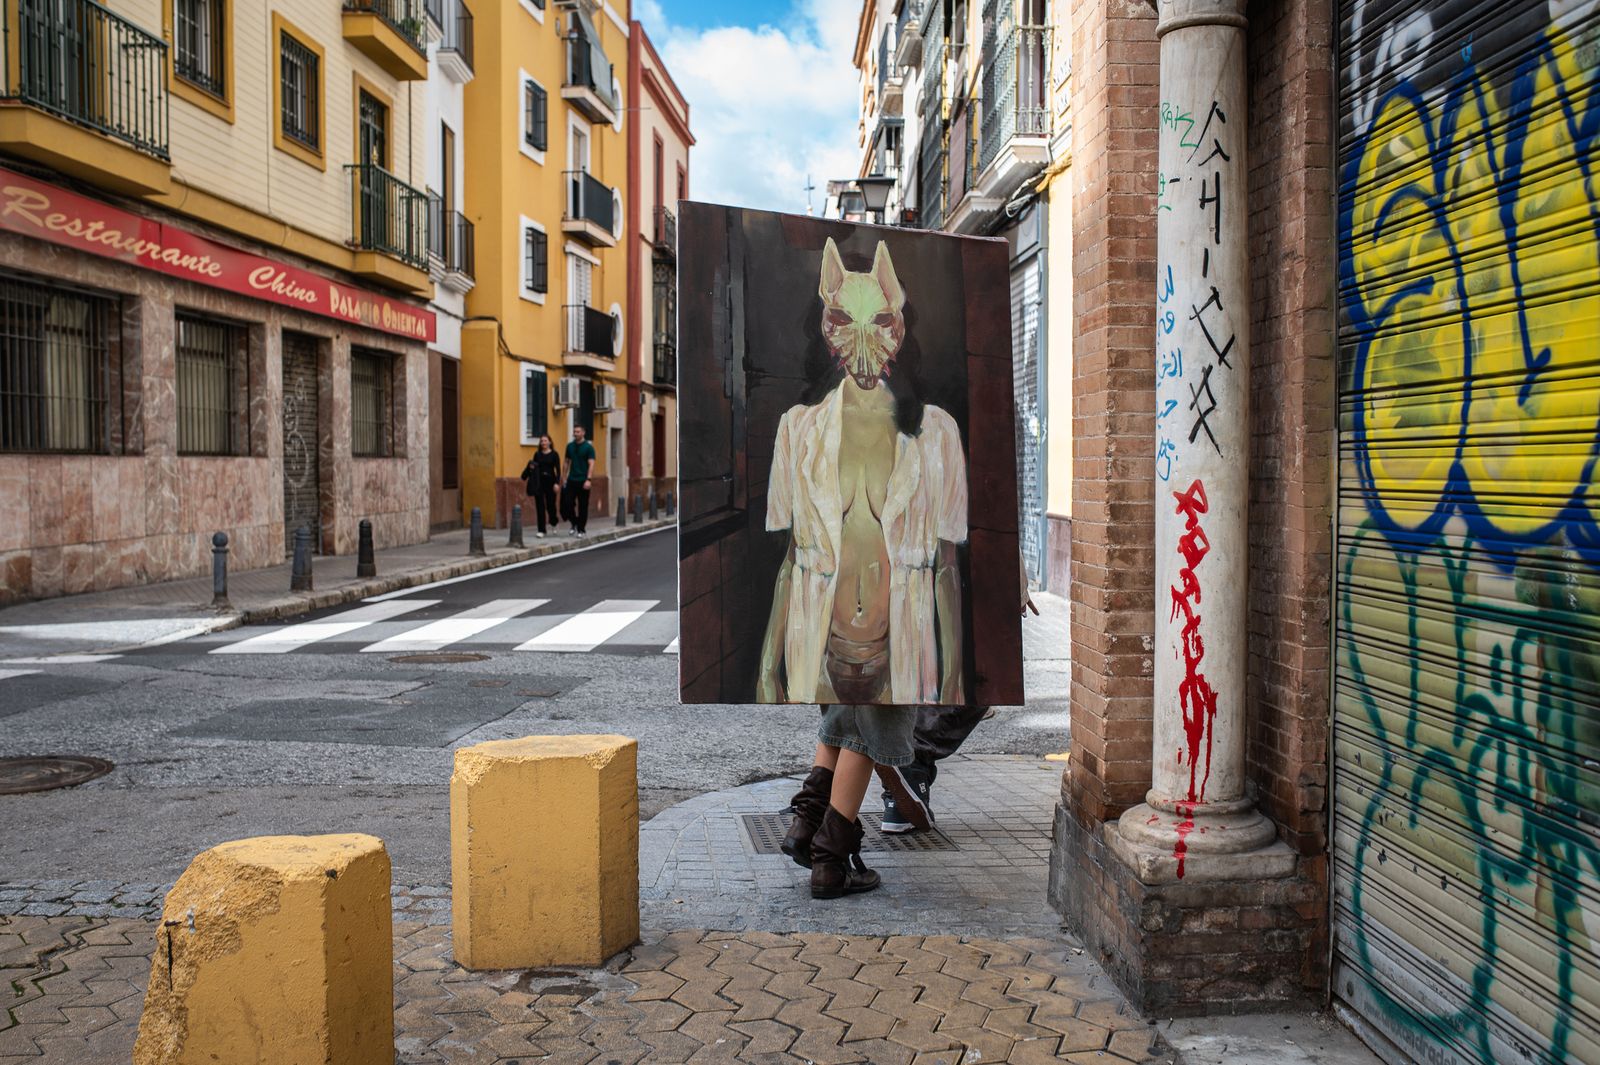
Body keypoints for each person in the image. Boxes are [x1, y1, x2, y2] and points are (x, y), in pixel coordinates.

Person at [764, 237, 967, 900]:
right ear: (826, 328)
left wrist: (956, 669)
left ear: (900, 325)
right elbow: (791, 557)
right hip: (822, 635)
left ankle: (807, 817)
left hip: (896, 631)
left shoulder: (935, 432)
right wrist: (771, 669)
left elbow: (944, 558)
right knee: (868, 721)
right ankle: (831, 846)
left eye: (877, 321)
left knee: (854, 720)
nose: (861, 340)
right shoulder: (798, 429)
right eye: (842, 322)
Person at [879, 570, 1040, 832]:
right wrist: (1015, 586)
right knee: (982, 676)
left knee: (932, 670)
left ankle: (897, 793)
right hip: (960, 568)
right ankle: (911, 768)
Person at [518, 436, 561, 538]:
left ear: (550, 442)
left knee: (551, 506)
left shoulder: (554, 454)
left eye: (545, 441)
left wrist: (557, 483)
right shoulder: (537, 454)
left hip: (551, 482)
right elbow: (534, 468)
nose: (543, 443)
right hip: (539, 482)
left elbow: (558, 470)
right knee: (540, 506)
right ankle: (541, 530)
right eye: (541, 441)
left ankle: (554, 522)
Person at [563, 424, 597, 536]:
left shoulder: (588, 447)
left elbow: (591, 464)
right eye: (574, 431)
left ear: (583, 433)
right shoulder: (570, 446)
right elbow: (566, 462)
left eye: (578, 432)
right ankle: (574, 522)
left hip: (583, 480)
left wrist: (589, 479)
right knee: (567, 504)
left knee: (583, 506)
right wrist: (564, 478)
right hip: (571, 480)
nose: (575, 433)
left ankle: (581, 529)